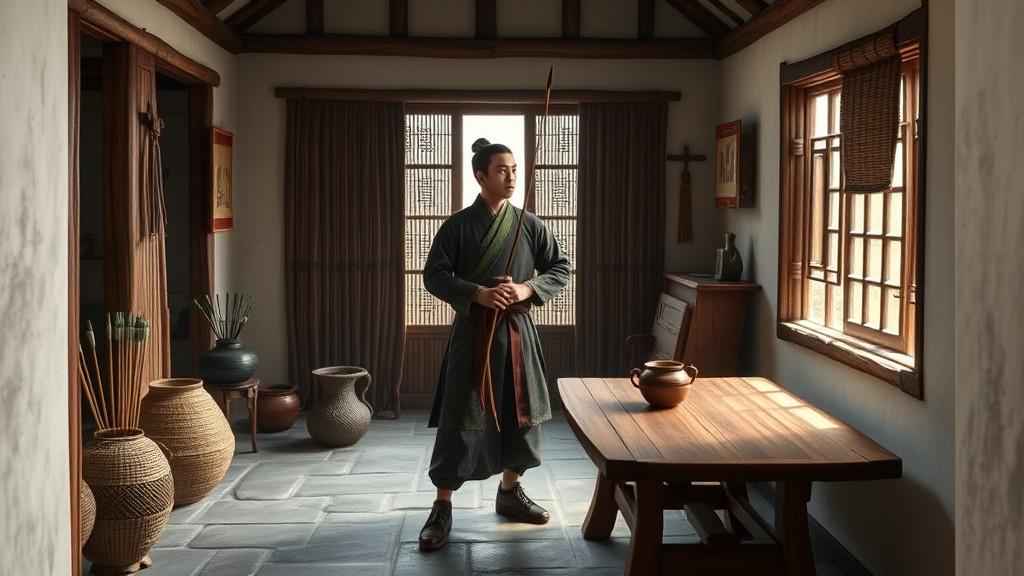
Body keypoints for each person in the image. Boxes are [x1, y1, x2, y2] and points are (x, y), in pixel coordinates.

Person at [418, 138, 571, 551]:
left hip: (518, 336)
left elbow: (561, 266)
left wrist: (526, 288)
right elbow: (434, 275)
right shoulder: (457, 226)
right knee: (462, 418)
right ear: (480, 175)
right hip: (474, 335)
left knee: (518, 414)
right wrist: (477, 293)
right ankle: (442, 506)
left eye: (515, 169)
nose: (511, 177)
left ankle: (509, 492)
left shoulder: (530, 223)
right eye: (502, 170)